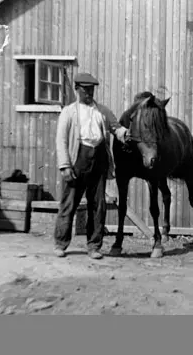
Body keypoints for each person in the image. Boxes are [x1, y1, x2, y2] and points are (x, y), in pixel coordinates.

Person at [54, 72, 129, 260]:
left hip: (99, 160)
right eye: (85, 90)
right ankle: (61, 243)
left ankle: (94, 246)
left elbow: (116, 127)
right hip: (77, 160)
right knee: (69, 204)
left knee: (98, 205)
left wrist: (124, 133)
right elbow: (61, 140)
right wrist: (65, 166)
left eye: (91, 90)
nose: (89, 93)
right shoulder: (69, 112)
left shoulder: (102, 111)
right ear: (77, 90)